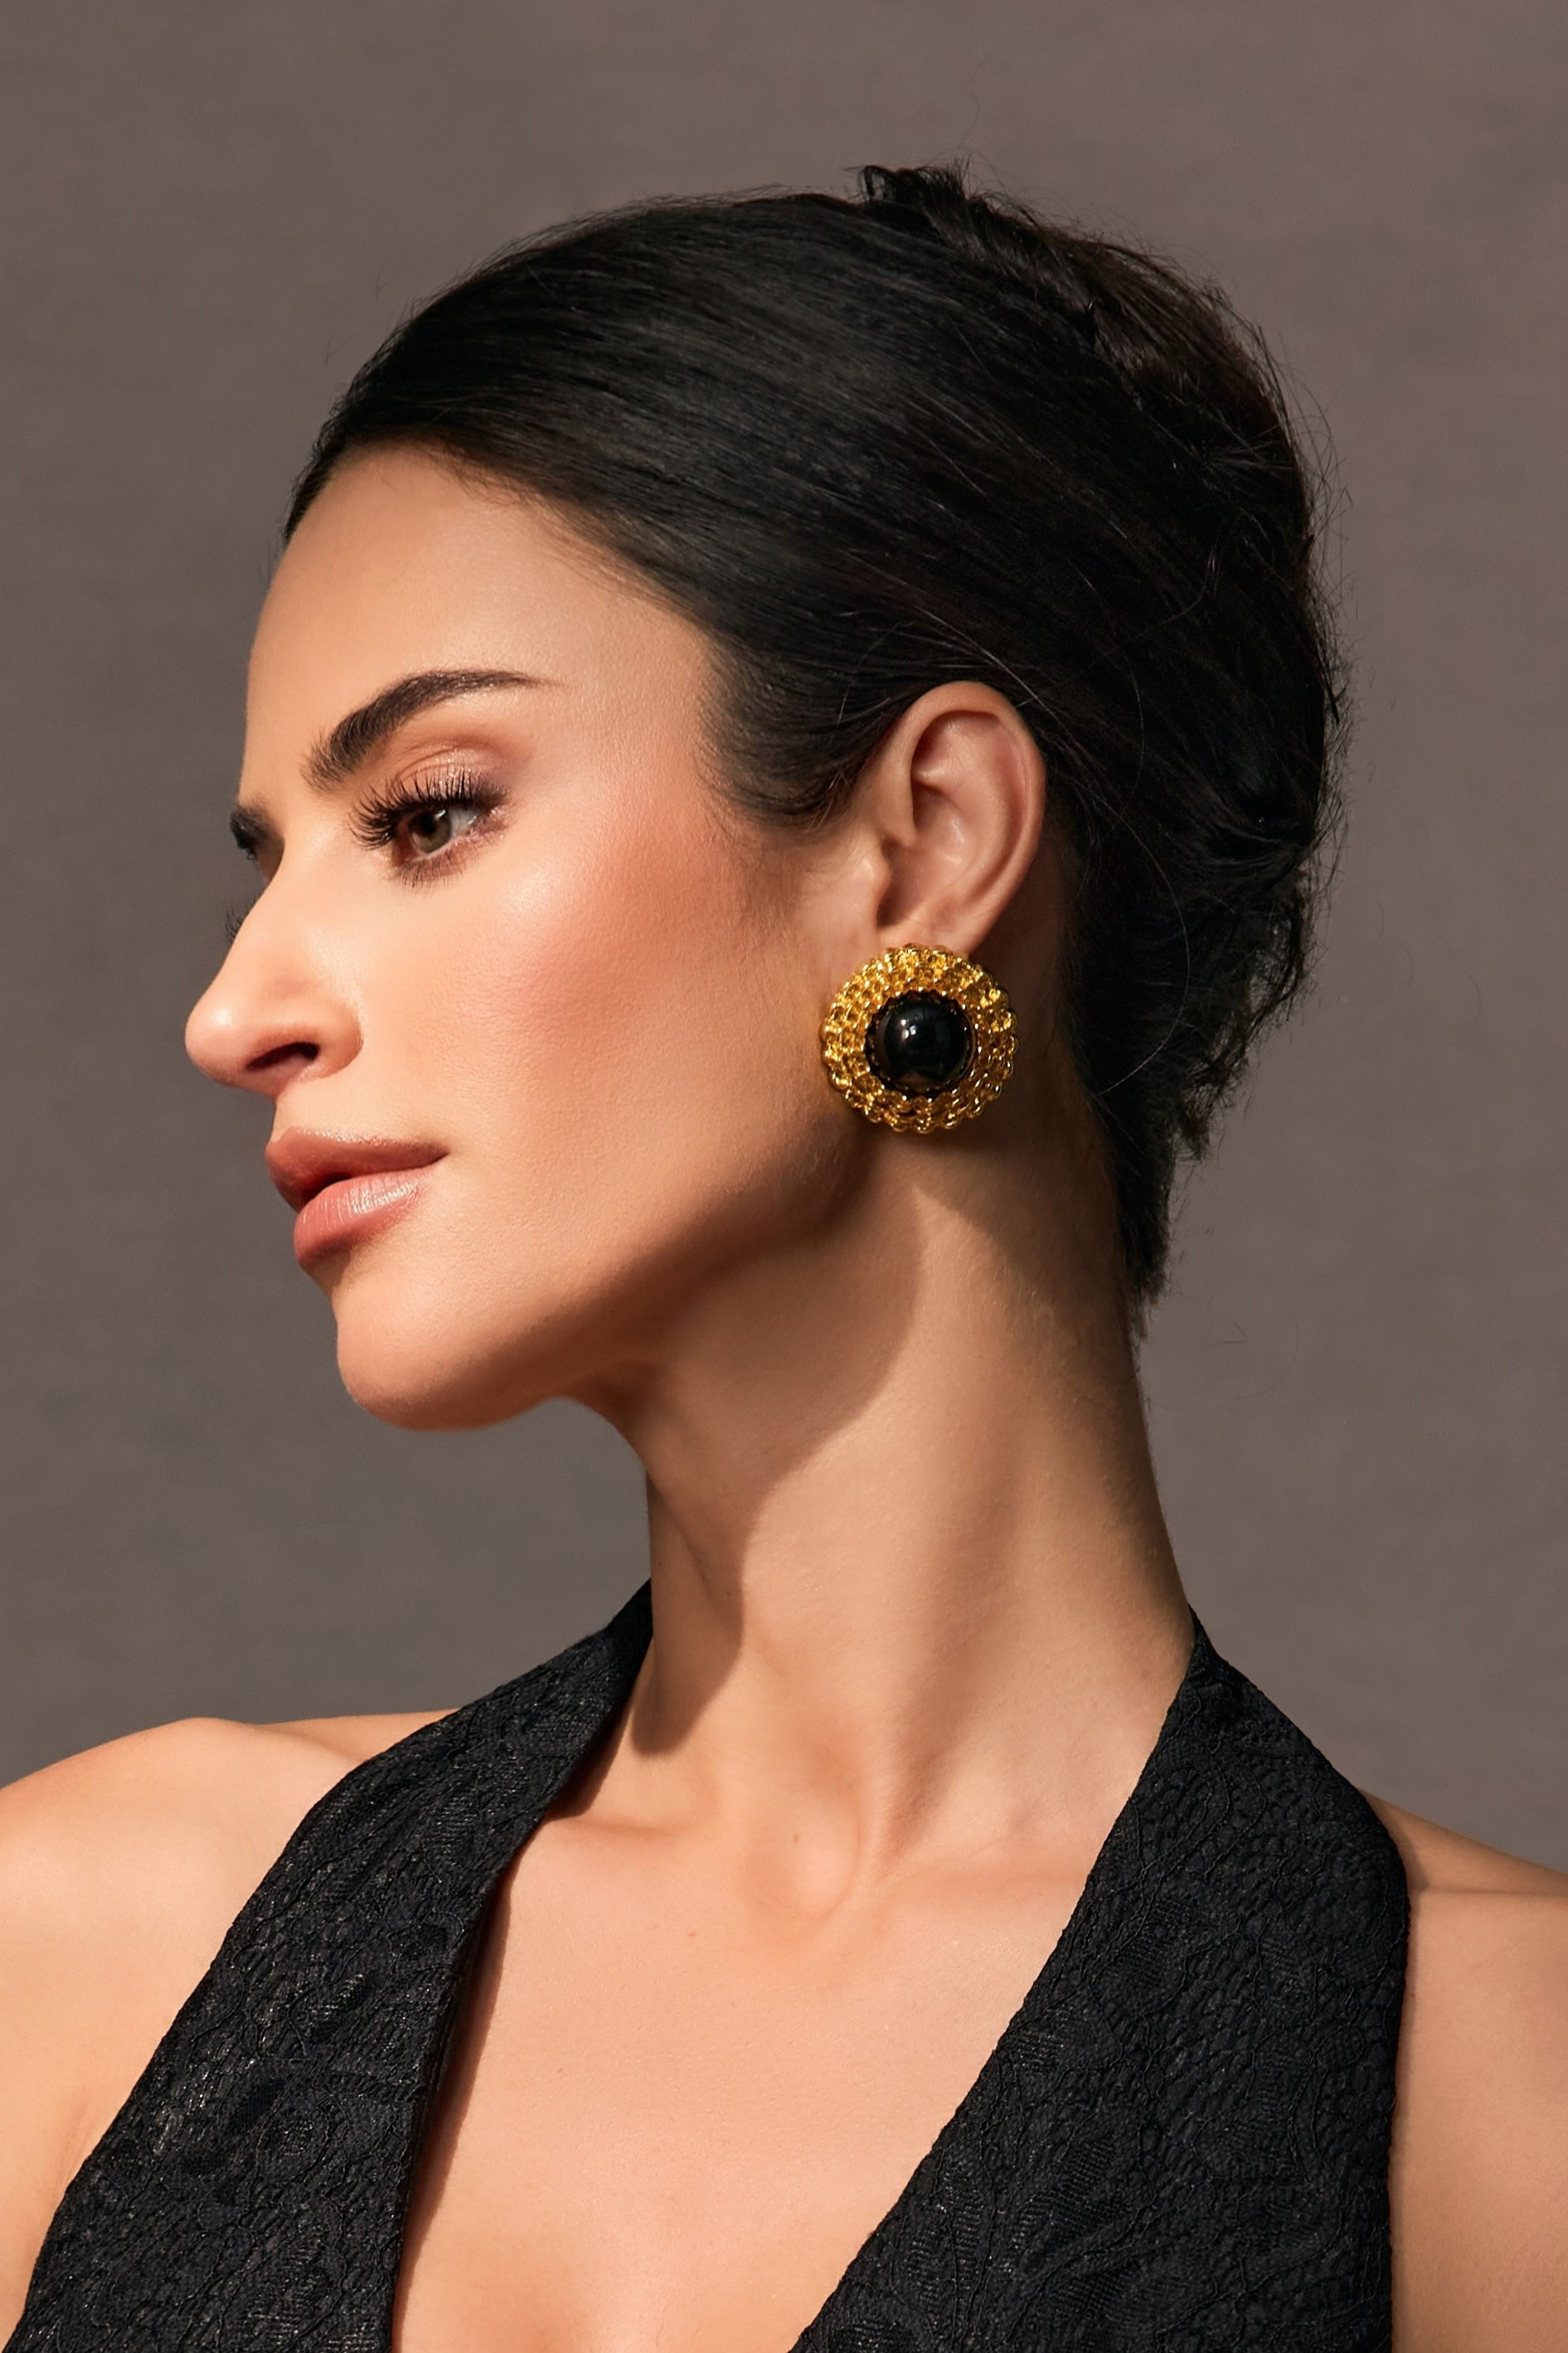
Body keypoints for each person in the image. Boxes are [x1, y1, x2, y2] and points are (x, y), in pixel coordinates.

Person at [0, 163, 1563, 2352]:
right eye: (273, 857)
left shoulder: (1497, 2111)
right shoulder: (87, 1958)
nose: (237, 1006)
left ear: (926, 841)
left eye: (430, 812)